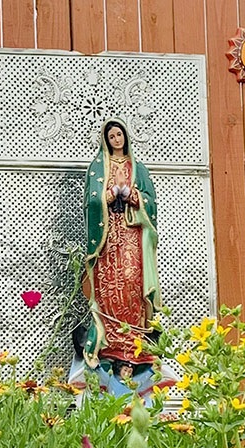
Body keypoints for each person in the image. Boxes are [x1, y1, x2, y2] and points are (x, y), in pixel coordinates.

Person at [69, 118, 173, 397]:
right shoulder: (98, 167)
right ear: (106, 139)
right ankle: (109, 349)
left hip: (131, 238)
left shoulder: (137, 168)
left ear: (126, 136)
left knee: (130, 285)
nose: (116, 139)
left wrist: (134, 196)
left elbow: (151, 204)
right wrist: (107, 194)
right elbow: (90, 201)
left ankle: (135, 350)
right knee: (108, 289)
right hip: (107, 240)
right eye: (111, 135)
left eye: (119, 134)